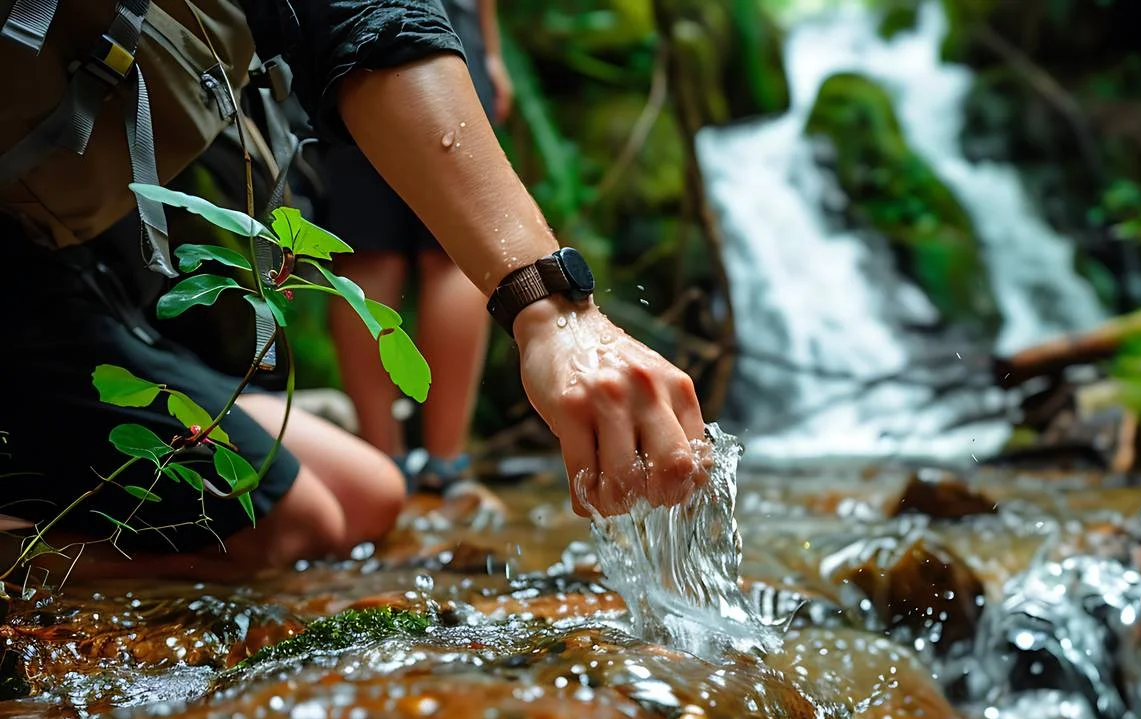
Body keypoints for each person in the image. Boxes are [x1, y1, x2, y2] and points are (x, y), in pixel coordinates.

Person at [0, 0, 707, 585]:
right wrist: (548, 307)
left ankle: (406, 455)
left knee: (370, 494)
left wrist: (551, 312)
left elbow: (363, 16)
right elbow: (364, 18)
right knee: (295, 525)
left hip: (52, 269)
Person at [315, 0, 511, 494]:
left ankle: (383, 464)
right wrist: (489, 50)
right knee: (453, 252)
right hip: (446, 26)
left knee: (366, 251)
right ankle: (446, 465)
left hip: (345, 27)